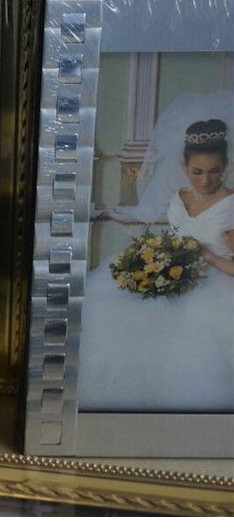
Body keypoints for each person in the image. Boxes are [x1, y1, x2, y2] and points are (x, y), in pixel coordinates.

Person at [78, 113, 234, 412]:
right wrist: (157, 259)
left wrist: (208, 256)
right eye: (197, 171)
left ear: (225, 167)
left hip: (215, 287)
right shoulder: (178, 198)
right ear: (183, 166)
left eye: (214, 171)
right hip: (175, 276)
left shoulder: (230, 204)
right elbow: (174, 238)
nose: (205, 180)